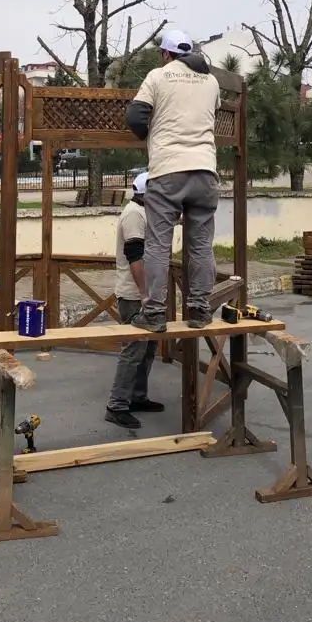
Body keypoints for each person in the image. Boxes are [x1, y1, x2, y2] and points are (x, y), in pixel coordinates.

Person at [126, 29, 221, 332]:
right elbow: (213, 111)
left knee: (157, 244)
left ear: (166, 54)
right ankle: (200, 310)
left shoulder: (158, 76)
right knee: (201, 245)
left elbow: (135, 117)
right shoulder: (211, 81)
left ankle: (154, 314)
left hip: (168, 170)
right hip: (205, 171)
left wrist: (149, 135)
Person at [104, 171, 164, 429]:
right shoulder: (134, 215)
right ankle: (116, 405)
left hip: (144, 295)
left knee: (147, 349)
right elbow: (135, 258)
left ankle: (137, 397)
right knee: (133, 351)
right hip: (134, 295)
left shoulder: (144, 212)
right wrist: (144, 294)